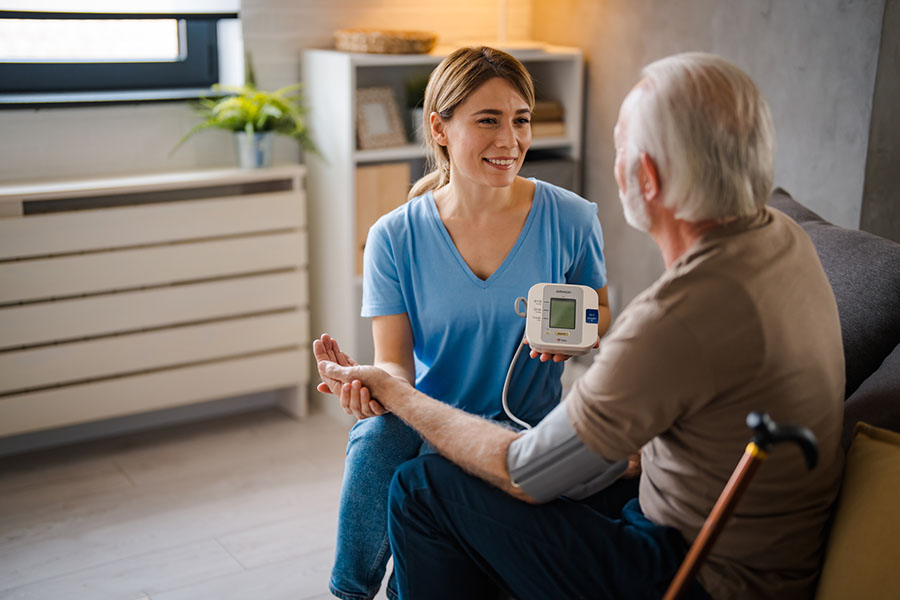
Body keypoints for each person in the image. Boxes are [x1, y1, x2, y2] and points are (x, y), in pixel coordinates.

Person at [316, 52, 845, 600]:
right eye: (489, 120)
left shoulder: (671, 316)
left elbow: (527, 470)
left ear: (647, 176)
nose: (513, 140)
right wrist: (388, 389)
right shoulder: (785, 238)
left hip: (688, 567)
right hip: (711, 533)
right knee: (385, 444)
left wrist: (396, 395)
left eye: (620, 149)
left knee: (421, 491)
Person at [320, 46, 611, 600]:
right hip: (432, 424)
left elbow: (601, 320)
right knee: (380, 433)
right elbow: (395, 363)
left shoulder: (573, 218)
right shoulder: (393, 237)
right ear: (441, 128)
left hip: (527, 431)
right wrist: (373, 389)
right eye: (488, 120)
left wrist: (577, 339)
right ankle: (348, 592)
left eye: (520, 119)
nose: (511, 140)